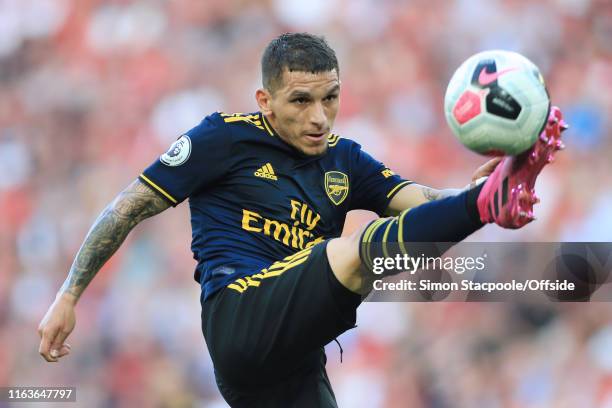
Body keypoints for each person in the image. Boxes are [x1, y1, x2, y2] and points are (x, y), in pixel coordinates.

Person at [38, 33, 565, 407]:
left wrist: (467, 190)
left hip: (293, 364)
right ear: (265, 101)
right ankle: (487, 204)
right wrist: (68, 294)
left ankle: (485, 202)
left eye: (330, 98)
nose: (319, 116)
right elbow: (127, 206)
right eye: (301, 100)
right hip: (238, 317)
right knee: (355, 254)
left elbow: (418, 199)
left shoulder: (347, 158)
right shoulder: (221, 138)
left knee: (354, 258)